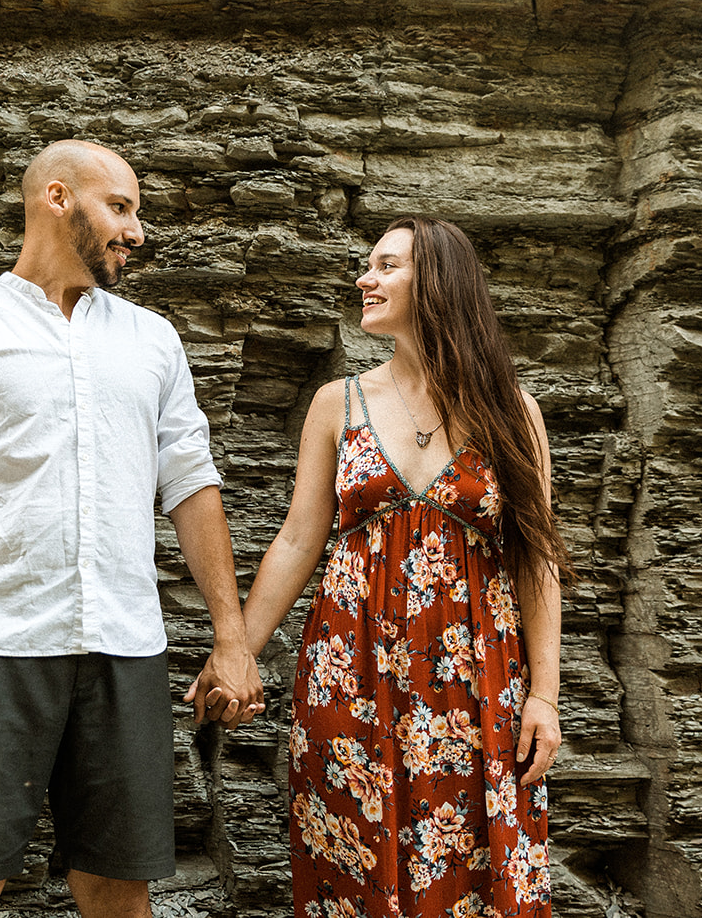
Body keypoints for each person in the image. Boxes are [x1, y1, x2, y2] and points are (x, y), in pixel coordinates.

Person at [0, 139, 264, 918]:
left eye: (137, 213)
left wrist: (232, 636)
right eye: (120, 207)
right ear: (57, 198)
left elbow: (191, 484)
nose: (137, 230)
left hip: (125, 644)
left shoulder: (152, 340)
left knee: (119, 885)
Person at [240, 217, 573, 918]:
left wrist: (543, 694)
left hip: (476, 681)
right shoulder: (340, 402)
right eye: (370, 265)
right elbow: (299, 541)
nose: (365, 278)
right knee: (352, 865)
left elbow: (535, 558)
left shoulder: (513, 411)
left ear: (439, 282)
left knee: (478, 868)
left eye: (386, 265)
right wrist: (235, 652)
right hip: (349, 676)